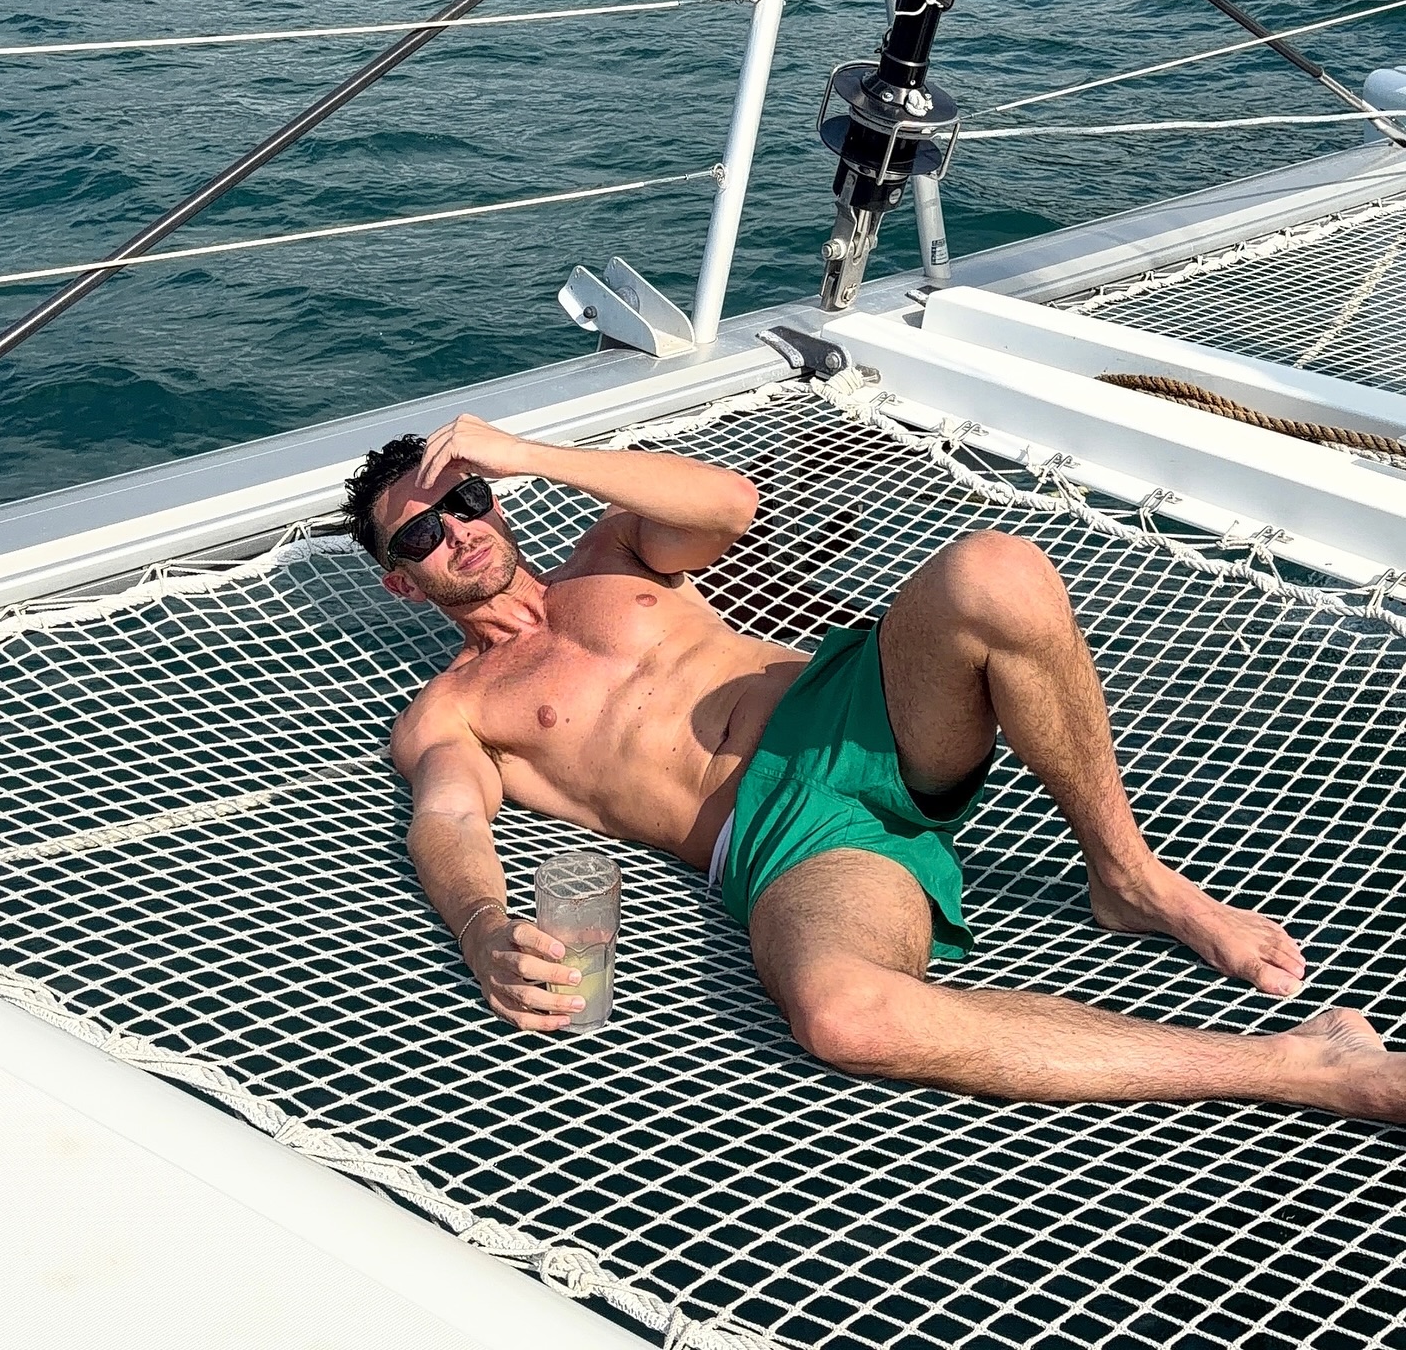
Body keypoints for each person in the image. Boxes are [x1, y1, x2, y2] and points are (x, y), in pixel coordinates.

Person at [341, 412, 1404, 1121]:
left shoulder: (611, 554)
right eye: (422, 536)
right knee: (848, 1015)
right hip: (784, 836)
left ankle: (1129, 876)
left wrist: (528, 453)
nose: (458, 534)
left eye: (466, 503)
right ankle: (1304, 1067)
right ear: (400, 583)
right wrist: (480, 927)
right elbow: (449, 820)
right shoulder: (454, 710)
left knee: (995, 571)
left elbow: (729, 504)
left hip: (857, 707)